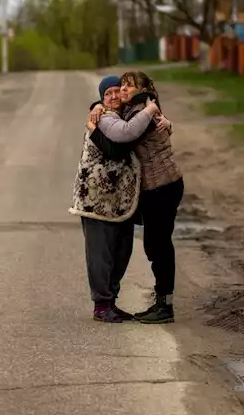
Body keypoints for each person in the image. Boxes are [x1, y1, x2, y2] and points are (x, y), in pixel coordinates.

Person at [87, 71, 183, 324]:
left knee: (158, 247)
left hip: (162, 186)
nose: (122, 91)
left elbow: (124, 136)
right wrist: (96, 107)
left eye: (127, 86)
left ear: (142, 89)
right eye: (121, 87)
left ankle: (165, 305)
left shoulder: (142, 110)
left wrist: (153, 111)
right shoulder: (136, 109)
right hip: (155, 188)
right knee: (155, 246)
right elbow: (119, 129)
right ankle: (161, 302)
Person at [69, 75, 158, 323]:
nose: (114, 96)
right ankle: (101, 305)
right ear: (101, 98)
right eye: (107, 93)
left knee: (121, 252)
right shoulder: (105, 118)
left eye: (118, 90)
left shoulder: (124, 115)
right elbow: (115, 150)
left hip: (120, 202)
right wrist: (94, 120)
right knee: (101, 254)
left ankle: (111, 301)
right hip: (97, 201)